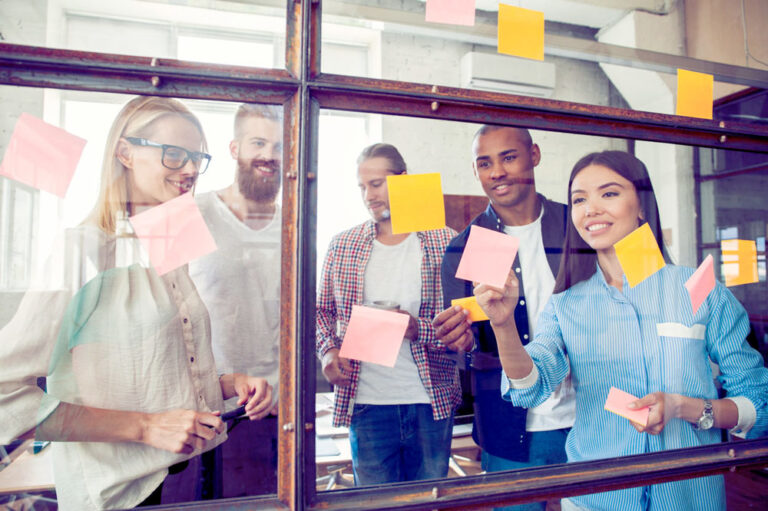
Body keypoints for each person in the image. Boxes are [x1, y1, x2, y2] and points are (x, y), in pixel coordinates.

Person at [0, 96, 273, 510]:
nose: (190, 170)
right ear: (125, 153)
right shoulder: (82, 250)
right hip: (122, 496)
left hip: (187, 476)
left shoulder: (166, 245)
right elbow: (6, 392)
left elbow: (152, 381)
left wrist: (230, 384)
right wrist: (145, 428)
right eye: (175, 155)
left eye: (198, 157)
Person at [476, 150, 768, 510]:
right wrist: (503, 326)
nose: (591, 209)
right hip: (594, 499)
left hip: (690, 497)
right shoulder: (566, 303)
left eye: (609, 193)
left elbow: (759, 404)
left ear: (642, 205)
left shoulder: (699, 287)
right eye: (579, 199)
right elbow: (530, 388)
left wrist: (682, 407)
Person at [434, 125, 575, 509]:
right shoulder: (466, 246)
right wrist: (460, 343)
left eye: (508, 157)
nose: (496, 171)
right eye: (485, 163)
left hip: (591, 418)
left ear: (535, 155)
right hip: (509, 428)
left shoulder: (576, 227)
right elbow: (467, 350)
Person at [316, 143, 461, 485]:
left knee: (428, 503)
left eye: (377, 184)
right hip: (367, 403)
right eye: (362, 187)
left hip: (430, 402)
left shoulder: (444, 242)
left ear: (404, 181)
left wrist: (417, 329)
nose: (369, 196)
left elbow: (463, 324)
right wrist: (328, 352)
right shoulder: (343, 244)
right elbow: (321, 313)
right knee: (375, 504)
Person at [189, 103, 282, 497]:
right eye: (258, 142)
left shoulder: (298, 219)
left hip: (278, 408)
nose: (269, 155)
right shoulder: (191, 212)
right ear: (234, 148)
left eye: (279, 146)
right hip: (207, 407)